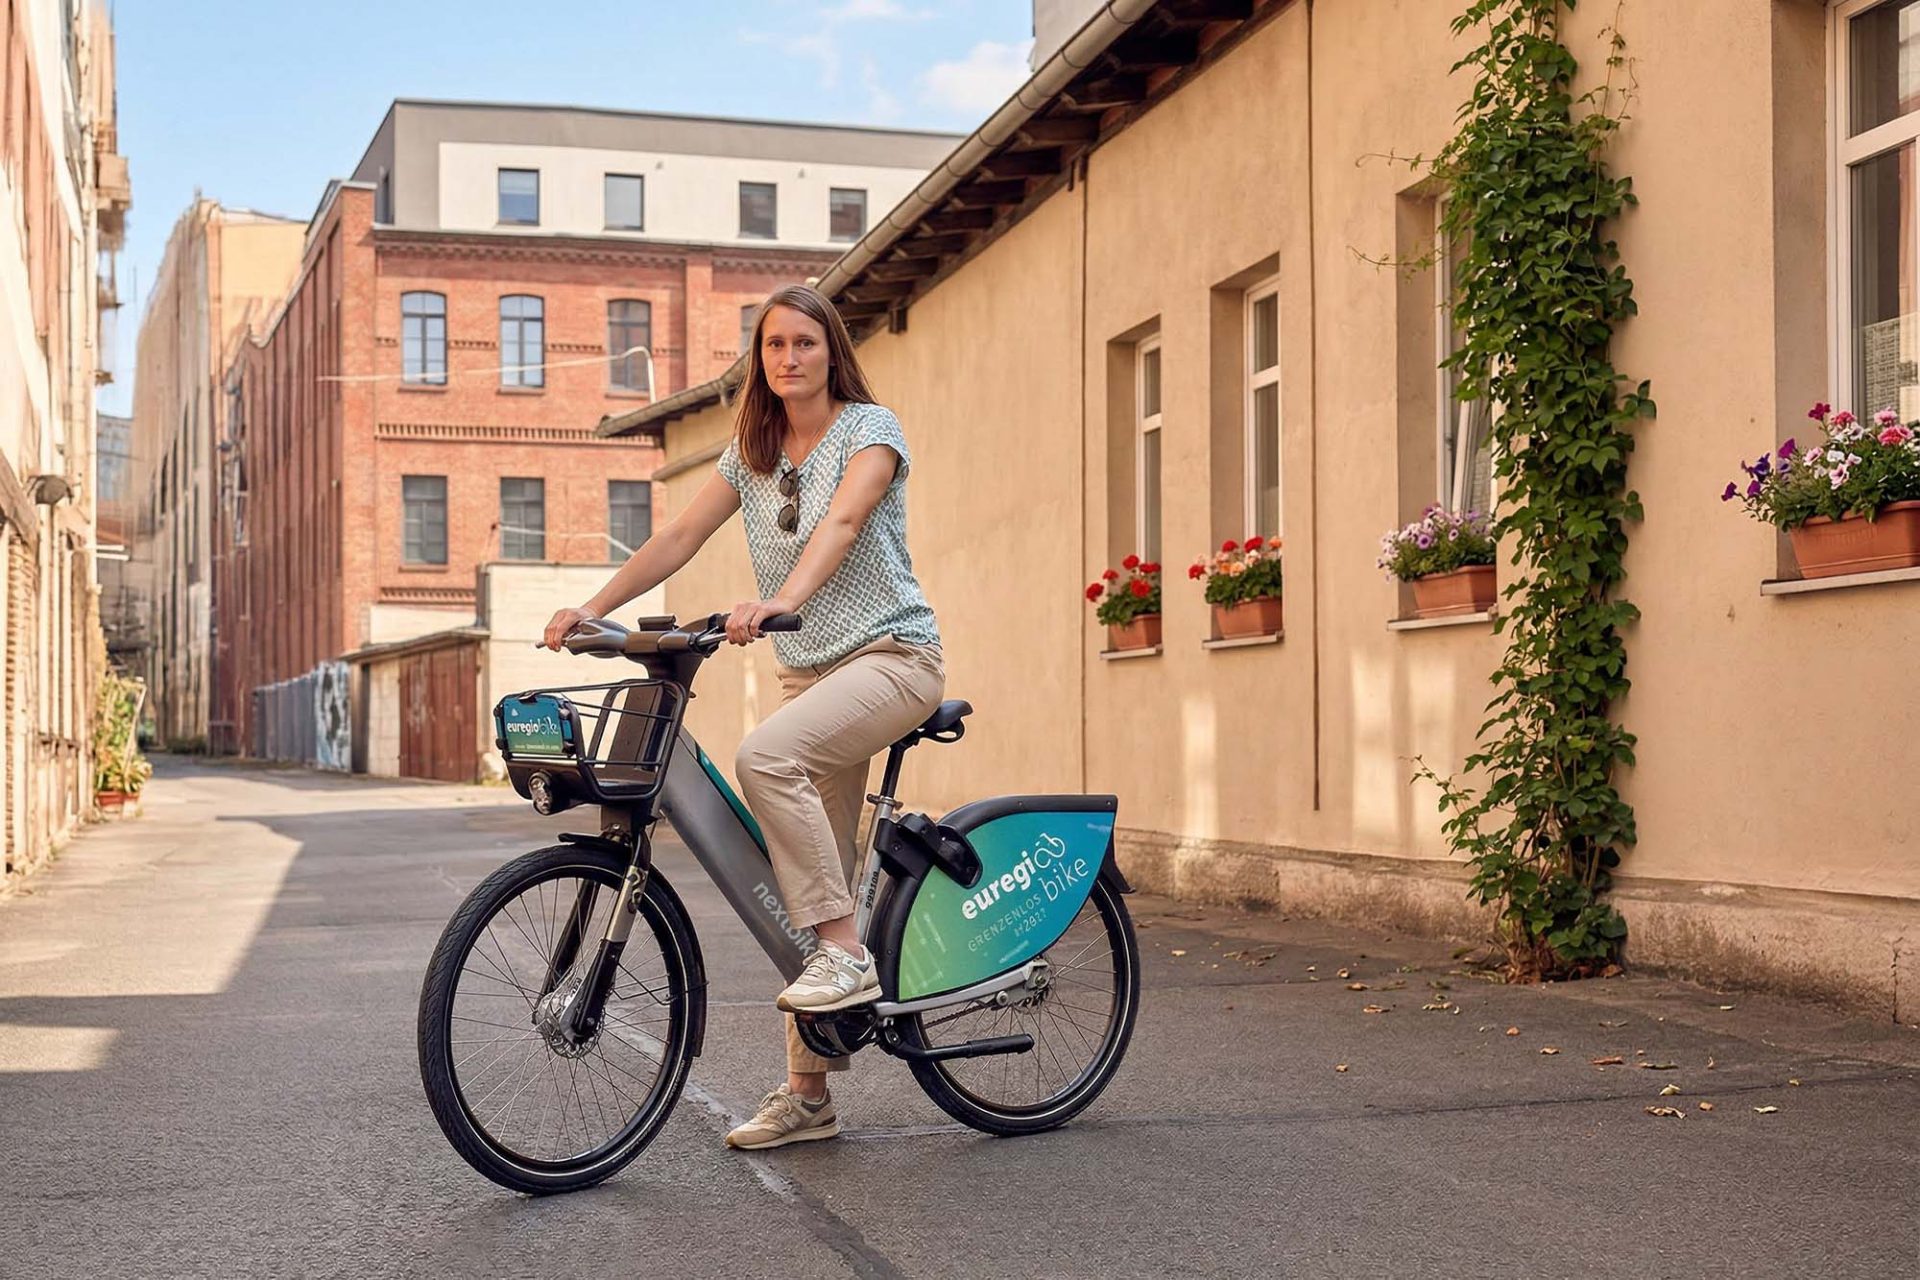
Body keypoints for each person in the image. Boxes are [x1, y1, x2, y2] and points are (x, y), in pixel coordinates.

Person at [541, 283, 944, 1151]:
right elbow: (677, 537)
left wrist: (779, 598)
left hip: (892, 661)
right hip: (813, 681)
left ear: (831, 350)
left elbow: (841, 523)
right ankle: (810, 1096)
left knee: (764, 760)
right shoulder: (752, 453)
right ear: (759, 361)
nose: (789, 357)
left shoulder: (871, 432)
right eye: (773, 346)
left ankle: (849, 953)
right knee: (804, 889)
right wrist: (592, 609)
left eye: (804, 342)